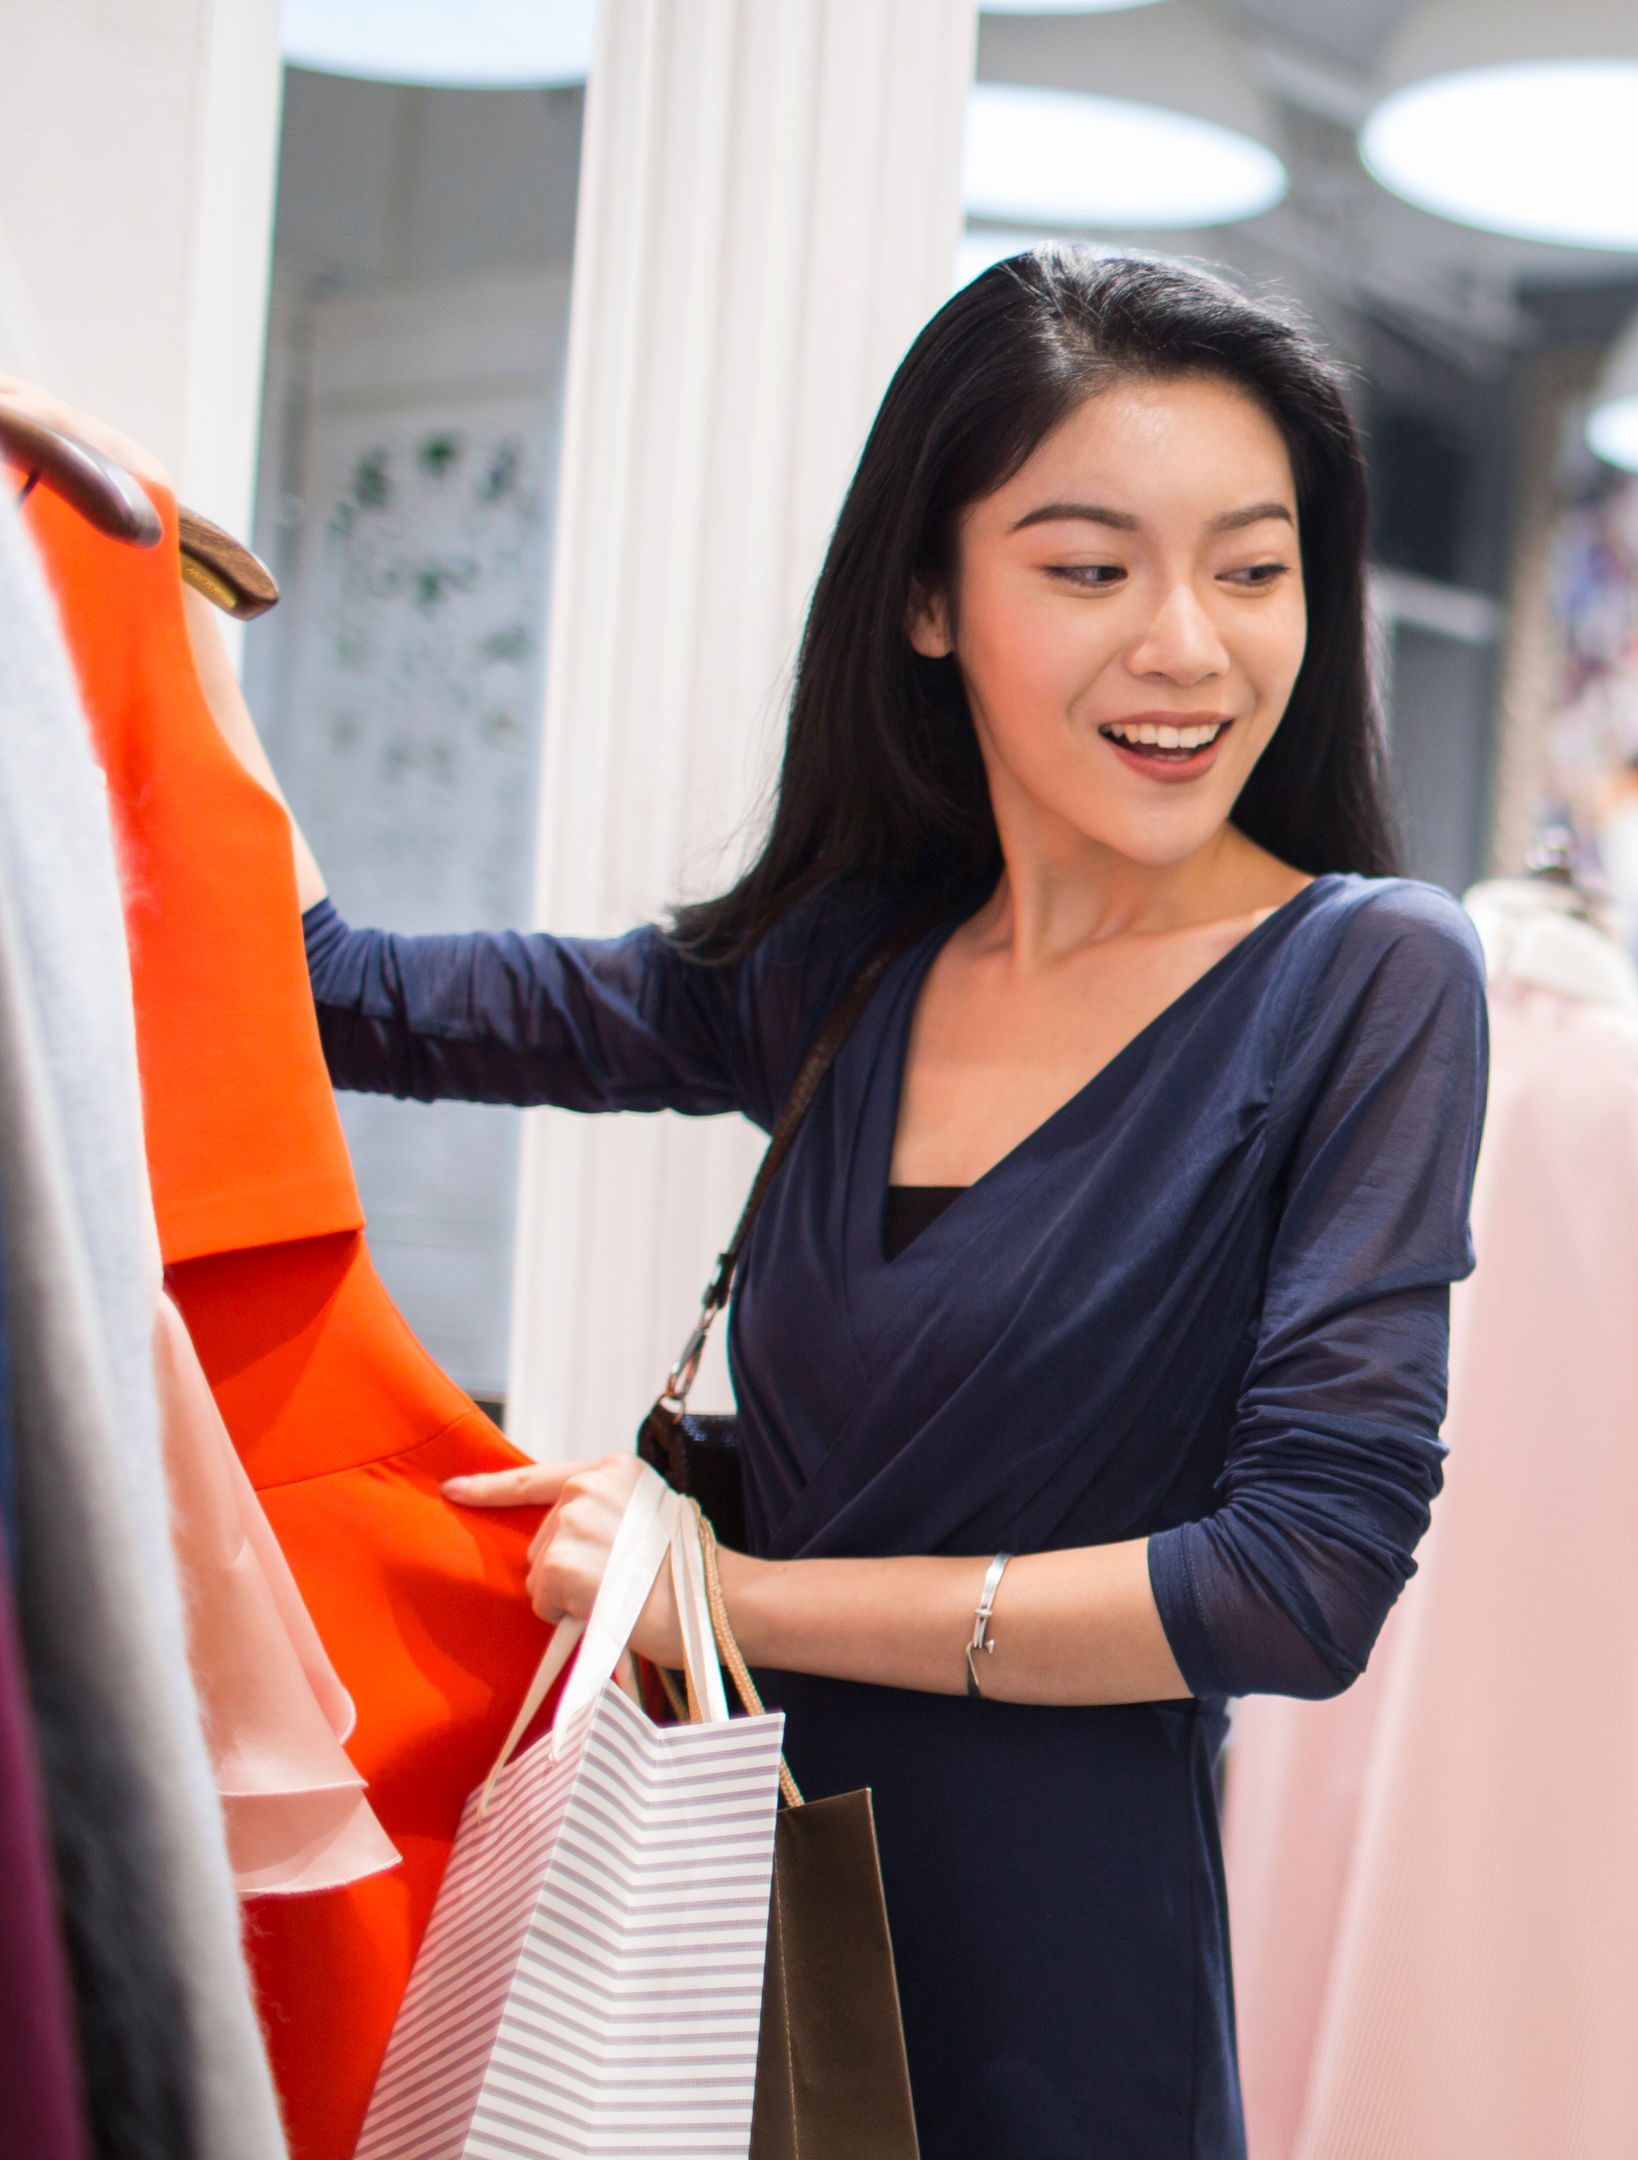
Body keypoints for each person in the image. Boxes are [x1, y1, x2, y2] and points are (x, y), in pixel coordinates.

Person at [68, 246, 1492, 2158]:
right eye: (1090, 570)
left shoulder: (1368, 977)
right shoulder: (847, 974)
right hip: (691, 1938)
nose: (1191, 647)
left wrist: (731, 1595)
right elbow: (332, 986)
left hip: (1060, 2001)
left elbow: (1298, 1579)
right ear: (927, 598)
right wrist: (126, 565)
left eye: (1254, 570)